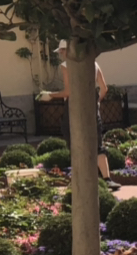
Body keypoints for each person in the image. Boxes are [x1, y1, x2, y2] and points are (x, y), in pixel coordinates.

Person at [39, 41, 119, 190]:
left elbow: (69, 92)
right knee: (97, 144)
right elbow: (104, 88)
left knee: (75, 143)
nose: (61, 54)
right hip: (92, 106)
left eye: (62, 51)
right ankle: (107, 179)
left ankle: (81, 179)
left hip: (74, 108)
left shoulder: (66, 65)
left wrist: (50, 95)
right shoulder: (93, 63)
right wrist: (97, 103)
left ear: (69, 50)